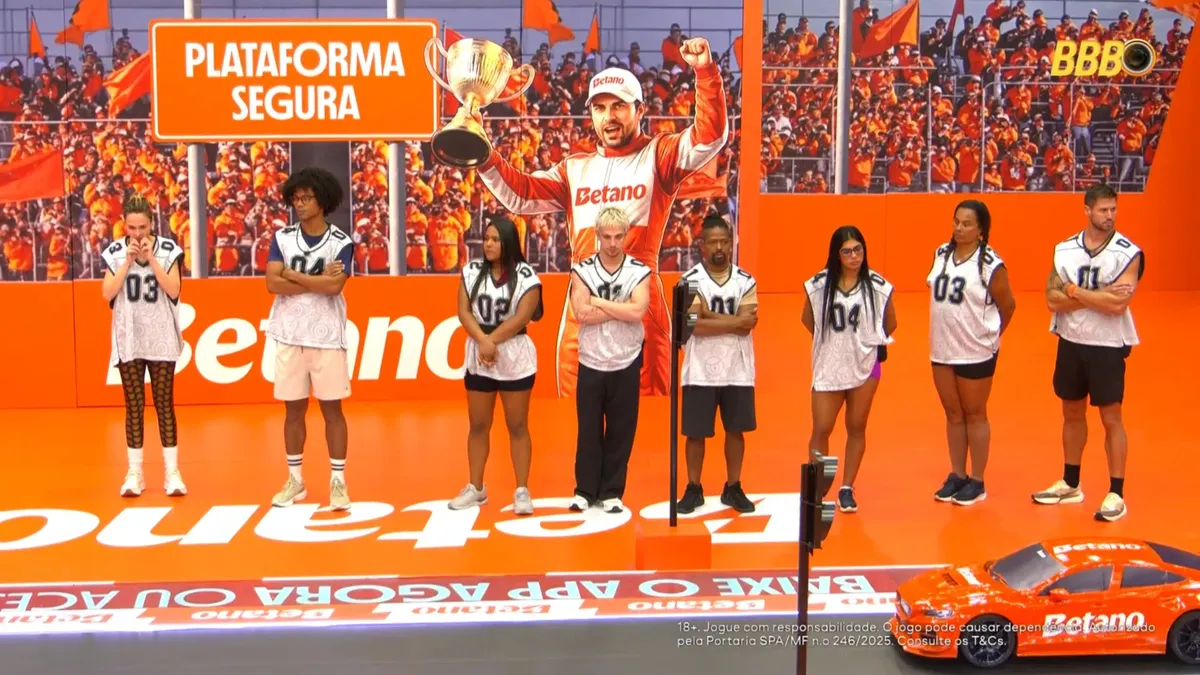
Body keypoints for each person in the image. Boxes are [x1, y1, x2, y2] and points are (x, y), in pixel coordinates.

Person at [472, 37, 729, 398]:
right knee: (576, 420)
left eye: (619, 106)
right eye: (600, 108)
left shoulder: (659, 154)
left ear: (640, 110)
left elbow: (709, 137)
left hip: (640, 303)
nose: (609, 116)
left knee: (646, 420)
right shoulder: (574, 168)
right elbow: (521, 194)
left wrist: (705, 72)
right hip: (582, 309)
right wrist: (483, 154)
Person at [1036, 184, 1143, 522]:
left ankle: (1116, 493)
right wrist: (1097, 294)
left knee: (1111, 418)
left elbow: (1117, 305)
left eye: (1113, 209)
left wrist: (1072, 290)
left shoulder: (1128, 253)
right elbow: (1051, 300)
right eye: (1103, 210)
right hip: (1070, 340)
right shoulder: (1064, 249)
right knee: (1071, 413)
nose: (1109, 216)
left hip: (1107, 345)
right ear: (1087, 210)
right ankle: (1071, 483)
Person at [264, 167, 354, 511]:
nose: (299, 204)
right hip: (289, 334)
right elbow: (272, 283)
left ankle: (338, 481)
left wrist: (292, 273)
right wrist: (314, 278)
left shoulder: (341, 242)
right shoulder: (282, 237)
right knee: (293, 411)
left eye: (306, 198)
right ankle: (295, 480)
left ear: (322, 200)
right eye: (295, 198)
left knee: (333, 410)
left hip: (327, 336)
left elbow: (334, 287)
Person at [448, 216, 544, 516]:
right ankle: (476, 487)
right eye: (486, 239)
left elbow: (523, 316)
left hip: (514, 354)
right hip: (480, 354)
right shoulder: (471, 271)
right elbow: (463, 311)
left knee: (517, 426)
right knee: (478, 425)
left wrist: (491, 341)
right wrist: (483, 341)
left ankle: (522, 489)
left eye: (495, 239)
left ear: (508, 242)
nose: (488, 244)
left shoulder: (526, 275)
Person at [801, 226, 897, 514]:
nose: (854, 256)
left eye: (858, 250)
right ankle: (819, 486)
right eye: (847, 251)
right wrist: (833, 344)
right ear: (836, 254)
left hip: (865, 365)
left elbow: (890, 322)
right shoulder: (818, 285)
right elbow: (808, 319)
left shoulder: (878, 286)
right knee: (822, 428)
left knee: (856, 426)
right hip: (828, 365)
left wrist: (865, 343)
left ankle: (846, 487)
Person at [928, 201, 1017, 507]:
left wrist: (989, 336)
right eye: (956, 221)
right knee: (953, 414)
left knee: (975, 413)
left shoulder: (990, 263)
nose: (959, 228)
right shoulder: (941, 253)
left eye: (967, 224)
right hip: (942, 348)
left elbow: (1008, 305)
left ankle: (977, 481)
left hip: (975, 350)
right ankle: (957, 474)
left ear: (981, 230)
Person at [101, 194, 187, 498]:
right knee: (134, 405)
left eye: (142, 227)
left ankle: (172, 472)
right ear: (124, 225)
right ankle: (134, 472)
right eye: (132, 228)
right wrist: (127, 261)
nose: (137, 234)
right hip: (130, 336)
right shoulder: (115, 253)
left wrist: (151, 260)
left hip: (160, 335)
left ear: (152, 224)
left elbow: (174, 289)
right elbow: (107, 292)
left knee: (164, 403)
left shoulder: (169, 250)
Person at [569, 207, 652, 513]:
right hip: (591, 359)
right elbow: (581, 313)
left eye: (618, 236)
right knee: (588, 429)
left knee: (621, 429)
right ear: (598, 235)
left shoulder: (638, 271)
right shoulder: (582, 270)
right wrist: (621, 307)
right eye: (607, 237)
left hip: (626, 359)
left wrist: (598, 301)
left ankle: (612, 491)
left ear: (626, 234)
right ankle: (584, 490)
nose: (613, 243)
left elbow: (638, 311)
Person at [675, 216, 758, 515]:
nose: (720, 247)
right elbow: (694, 326)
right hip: (699, 369)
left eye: (724, 241)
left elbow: (748, 325)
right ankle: (693, 488)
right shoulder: (689, 280)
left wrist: (711, 316)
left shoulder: (745, 280)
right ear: (702, 246)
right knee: (695, 433)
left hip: (738, 368)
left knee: (736, 431)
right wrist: (734, 321)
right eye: (713, 242)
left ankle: (733, 487)